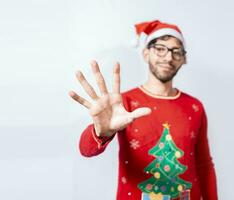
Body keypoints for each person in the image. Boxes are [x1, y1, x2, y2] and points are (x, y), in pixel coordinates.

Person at [69, 20, 218, 200]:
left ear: (184, 59)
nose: (168, 57)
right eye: (160, 48)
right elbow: (86, 150)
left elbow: (203, 164)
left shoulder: (195, 107)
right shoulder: (123, 103)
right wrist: (101, 132)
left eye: (176, 51)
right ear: (146, 53)